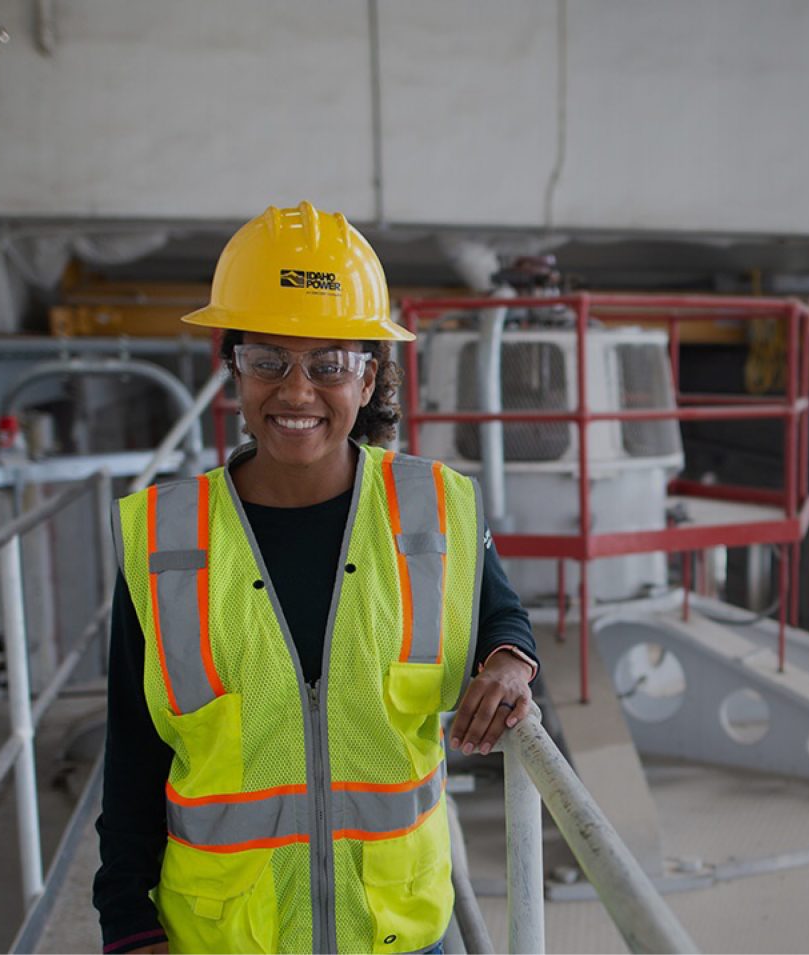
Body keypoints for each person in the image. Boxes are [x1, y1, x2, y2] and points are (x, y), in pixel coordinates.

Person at [93, 202, 539, 954]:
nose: (296, 392)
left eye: (329, 364)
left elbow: (500, 613)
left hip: (398, 933)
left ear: (370, 379)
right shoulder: (167, 537)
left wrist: (510, 662)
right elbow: (132, 752)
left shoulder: (433, 509)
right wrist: (128, 927)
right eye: (268, 360)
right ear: (233, 367)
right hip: (222, 939)